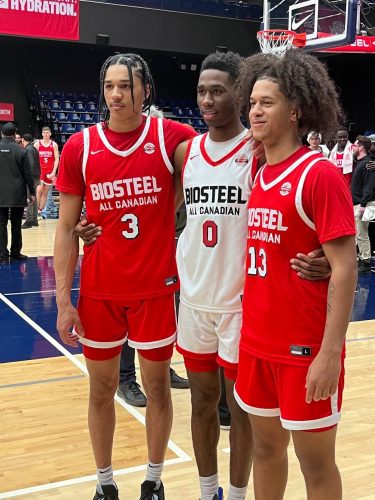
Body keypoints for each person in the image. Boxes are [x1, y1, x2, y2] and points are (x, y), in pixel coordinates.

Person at [77, 51, 331, 500]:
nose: (209, 100)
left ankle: (235, 493)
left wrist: (327, 257)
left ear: (242, 93)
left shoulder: (257, 152)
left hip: (240, 302)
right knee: (200, 403)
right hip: (193, 299)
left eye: (220, 90)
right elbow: (151, 199)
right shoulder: (188, 150)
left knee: (242, 413)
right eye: (202, 91)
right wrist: (94, 223)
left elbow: (297, 203)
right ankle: (207, 490)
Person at [54, 53, 196, 500]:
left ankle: (154, 480)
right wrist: (63, 300)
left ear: (145, 90)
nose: (116, 95)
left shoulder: (172, 135)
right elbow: (64, 227)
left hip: (155, 289)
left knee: (157, 387)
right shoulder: (80, 145)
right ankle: (104, 483)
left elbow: (219, 163)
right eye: (110, 86)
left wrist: (166, 210)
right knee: (102, 390)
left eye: (126, 86)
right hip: (99, 292)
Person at [235, 48, 357, 500]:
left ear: (296, 110)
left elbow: (345, 269)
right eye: (252, 102)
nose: (255, 110)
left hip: (304, 349)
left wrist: (329, 354)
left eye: (267, 102)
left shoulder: (319, 174)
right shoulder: (257, 170)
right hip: (257, 342)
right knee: (265, 449)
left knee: (316, 464)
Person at [0, 122, 35, 263]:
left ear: (2, 133)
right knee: (15, 224)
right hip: (17, 192)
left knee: (0, 224)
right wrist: (31, 192)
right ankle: (15, 253)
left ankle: (2, 256)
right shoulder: (22, 151)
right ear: (15, 135)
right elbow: (28, 174)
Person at [351, 135, 375, 274]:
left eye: (354, 145)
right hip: (358, 203)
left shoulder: (368, 164)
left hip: (362, 204)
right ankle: (361, 258)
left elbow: (369, 186)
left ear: (361, 148)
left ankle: (365, 261)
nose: (352, 147)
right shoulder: (360, 162)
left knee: (361, 233)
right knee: (358, 233)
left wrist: (363, 205)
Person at [34, 126, 59, 213]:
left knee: (45, 193)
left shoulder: (54, 144)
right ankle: (35, 209)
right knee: (39, 189)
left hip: (49, 171)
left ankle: (40, 211)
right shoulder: (37, 144)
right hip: (40, 171)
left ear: (50, 134)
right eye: (44, 132)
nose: (45, 134)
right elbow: (33, 158)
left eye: (47, 132)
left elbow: (56, 159)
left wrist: (54, 172)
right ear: (42, 134)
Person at [21, 133, 41, 228]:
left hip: (32, 176)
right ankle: (34, 220)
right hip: (37, 176)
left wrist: (28, 176)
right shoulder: (34, 149)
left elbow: (31, 164)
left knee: (29, 197)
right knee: (34, 198)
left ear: (23, 140)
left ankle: (29, 220)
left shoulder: (28, 149)